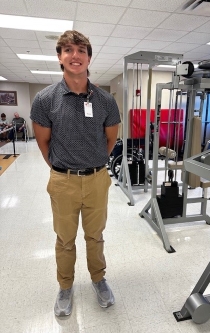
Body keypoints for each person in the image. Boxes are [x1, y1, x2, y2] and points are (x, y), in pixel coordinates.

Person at [30, 30, 121, 317]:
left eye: (81, 50)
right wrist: (61, 170)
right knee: (65, 239)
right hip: (63, 181)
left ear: (89, 57)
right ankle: (65, 286)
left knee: (95, 236)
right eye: (68, 50)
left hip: (97, 180)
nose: (75, 55)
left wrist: (95, 165)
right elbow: (43, 143)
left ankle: (98, 279)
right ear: (60, 57)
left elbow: (111, 140)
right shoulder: (45, 100)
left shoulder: (105, 101)